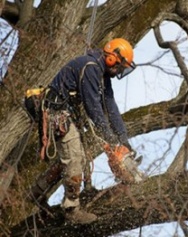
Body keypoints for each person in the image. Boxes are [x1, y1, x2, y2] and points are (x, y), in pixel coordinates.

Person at [29, 38, 139, 224]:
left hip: (66, 113)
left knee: (79, 156)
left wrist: (124, 140)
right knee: (74, 157)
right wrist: (110, 140)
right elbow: (93, 108)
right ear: (112, 58)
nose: (120, 71)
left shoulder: (102, 75)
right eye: (120, 66)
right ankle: (71, 208)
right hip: (56, 111)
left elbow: (110, 106)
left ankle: (37, 191)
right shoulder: (90, 67)